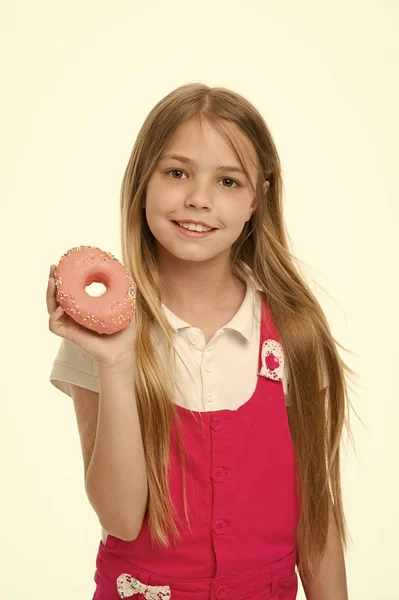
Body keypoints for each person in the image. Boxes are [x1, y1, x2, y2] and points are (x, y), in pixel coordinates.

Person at [47, 83, 353, 599]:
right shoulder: (99, 333)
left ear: (259, 198)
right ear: (143, 179)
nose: (199, 199)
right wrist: (116, 364)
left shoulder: (294, 332)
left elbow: (316, 522)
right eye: (177, 172)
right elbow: (121, 518)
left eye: (228, 181)